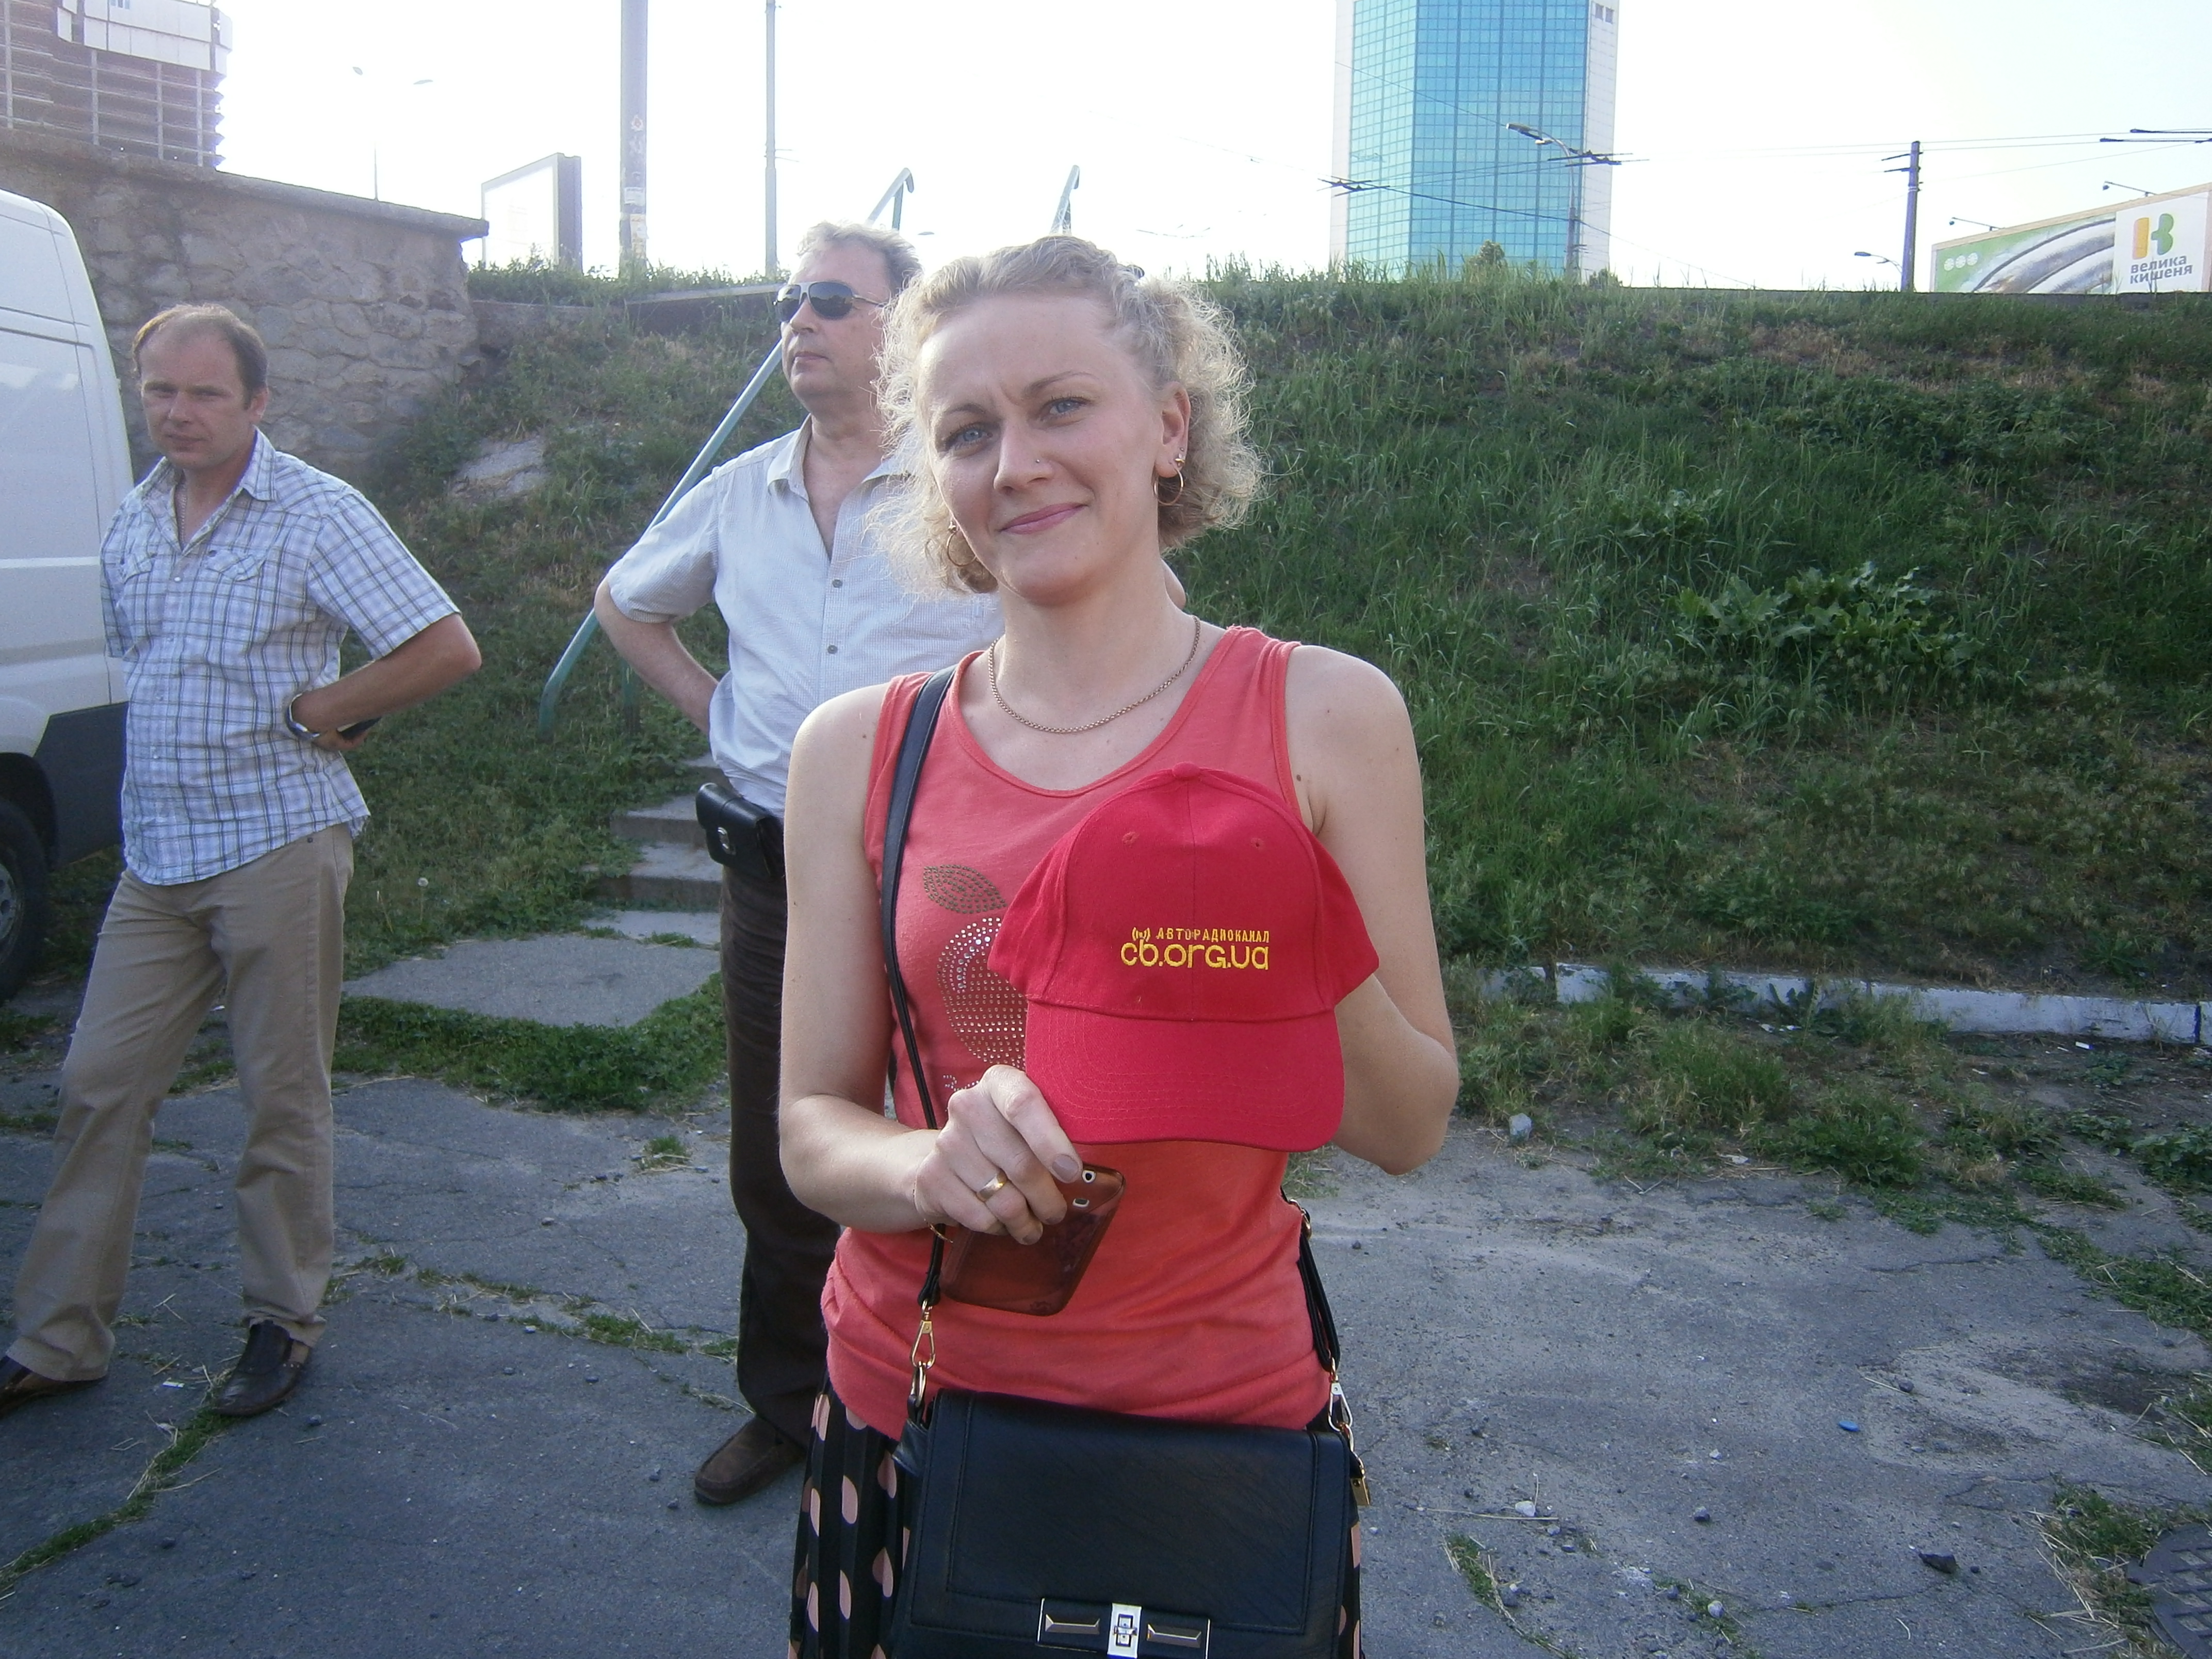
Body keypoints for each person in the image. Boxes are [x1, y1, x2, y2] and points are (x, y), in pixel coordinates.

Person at [776, 236, 1461, 1656]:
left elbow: (1406, 1127)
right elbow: (809, 1128)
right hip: (914, 1411)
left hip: (1210, 1434)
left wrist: (1284, 915)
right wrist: (926, 1164)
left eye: (1061, 406)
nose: (1015, 462)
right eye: (966, 431)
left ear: (1168, 426)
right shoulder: (856, 752)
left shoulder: (1323, 719)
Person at [0, 304, 481, 1422]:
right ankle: (58, 1338)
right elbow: (150, 666)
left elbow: (443, 645)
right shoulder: (134, 519)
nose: (179, 412)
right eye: (160, 389)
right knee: (97, 1084)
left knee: (281, 1094)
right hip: (157, 855)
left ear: (257, 403)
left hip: (277, 844)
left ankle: (282, 1321)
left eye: (206, 393)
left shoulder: (316, 512)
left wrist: (330, 706)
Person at [593, 222, 1002, 1506]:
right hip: (774, 876)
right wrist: (717, 710)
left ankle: (955, 1402)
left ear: (900, 327)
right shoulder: (740, 493)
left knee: (954, 1131)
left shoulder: (962, 485)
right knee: (783, 1152)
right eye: (788, 299)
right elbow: (625, 602)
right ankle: (792, 1406)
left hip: (938, 874)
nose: (798, 321)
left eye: (830, 298)